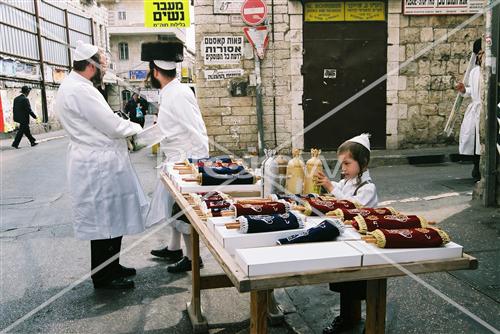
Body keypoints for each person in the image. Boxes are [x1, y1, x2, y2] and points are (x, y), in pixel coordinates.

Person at [54, 40, 148, 290]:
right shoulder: (82, 90)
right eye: (103, 64)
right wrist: (137, 128)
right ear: (92, 65)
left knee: (110, 218)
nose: (105, 69)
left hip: (95, 160)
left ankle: (112, 266)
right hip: (98, 164)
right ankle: (104, 276)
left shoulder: (72, 86)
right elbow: (111, 125)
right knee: (104, 221)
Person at [141, 42, 209, 273]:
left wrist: (135, 139)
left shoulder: (177, 94)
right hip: (176, 159)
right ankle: (174, 248)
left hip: (185, 160)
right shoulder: (171, 91)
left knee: (182, 212)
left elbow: (191, 129)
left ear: (156, 71)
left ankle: (192, 258)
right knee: (171, 207)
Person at [316, 133, 378, 334]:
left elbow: (352, 207)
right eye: (341, 164)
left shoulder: (367, 188)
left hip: (364, 244)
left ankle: (371, 323)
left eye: (347, 164)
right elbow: (336, 202)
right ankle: (347, 317)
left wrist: (330, 187)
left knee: (361, 286)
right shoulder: (344, 183)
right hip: (346, 240)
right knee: (345, 281)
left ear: (364, 163)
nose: (343, 169)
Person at [456, 38, 483, 182]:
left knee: (481, 142)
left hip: (485, 110)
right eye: (479, 54)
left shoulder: (489, 70)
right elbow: (473, 91)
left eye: (482, 54)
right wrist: (464, 90)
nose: (480, 56)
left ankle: (480, 170)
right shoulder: (475, 72)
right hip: (476, 109)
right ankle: (476, 166)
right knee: (474, 141)